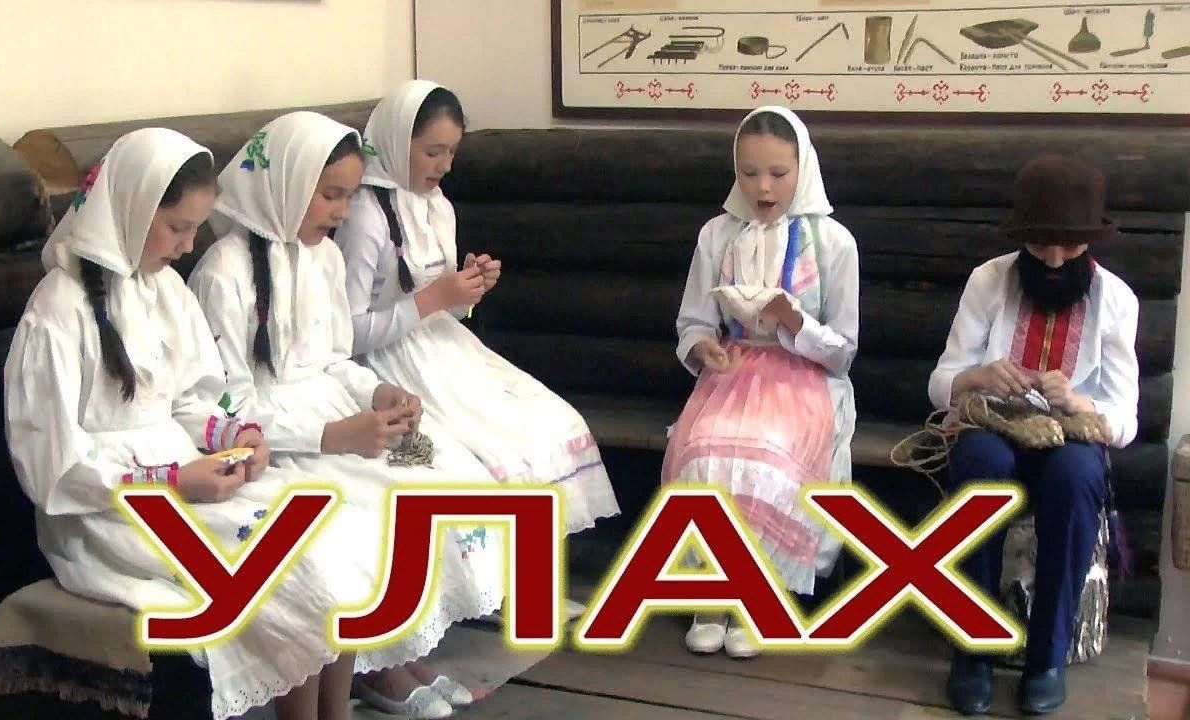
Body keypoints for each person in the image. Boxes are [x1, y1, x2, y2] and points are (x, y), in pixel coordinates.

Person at [4, 127, 457, 720]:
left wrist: (235, 436)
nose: (188, 245)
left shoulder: (162, 288)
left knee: (338, 530)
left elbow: (192, 397)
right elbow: (53, 472)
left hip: (184, 478)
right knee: (292, 565)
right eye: (178, 228)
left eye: (194, 228)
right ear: (132, 210)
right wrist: (172, 480)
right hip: (104, 512)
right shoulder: (57, 313)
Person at [189, 111, 506, 719]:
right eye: (330, 196)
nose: (341, 212)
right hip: (276, 440)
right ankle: (374, 670)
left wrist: (380, 392)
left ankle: (393, 656)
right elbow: (223, 405)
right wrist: (331, 436)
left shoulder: (323, 258)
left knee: (444, 470)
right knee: (367, 519)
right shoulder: (223, 272)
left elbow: (335, 359)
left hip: (332, 412)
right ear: (285, 185)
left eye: (348, 196)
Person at [332, 80, 619, 537]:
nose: (445, 165)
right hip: (387, 366)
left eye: (452, 152)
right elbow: (345, 335)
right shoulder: (364, 215)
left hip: (447, 349)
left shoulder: (437, 206)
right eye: (432, 152)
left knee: (554, 422)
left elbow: (442, 307)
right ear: (396, 141)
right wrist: (435, 298)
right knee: (488, 449)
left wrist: (467, 290)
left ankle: (544, 553)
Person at [930, 153, 1138, 716]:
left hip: (1069, 438)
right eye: (1041, 243)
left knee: (1076, 476)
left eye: (1069, 246)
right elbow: (942, 384)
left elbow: (1124, 420)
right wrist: (978, 377)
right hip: (994, 424)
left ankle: (1047, 657)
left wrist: (1078, 401)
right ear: (1021, 236)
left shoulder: (1116, 300)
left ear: (1090, 241)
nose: (1053, 259)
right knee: (982, 463)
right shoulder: (988, 280)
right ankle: (971, 650)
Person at [662, 106, 859, 659]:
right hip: (733, 371)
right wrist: (703, 346)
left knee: (768, 456)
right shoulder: (717, 235)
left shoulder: (833, 242)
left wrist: (795, 321)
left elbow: (844, 351)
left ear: (803, 169)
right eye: (749, 173)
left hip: (803, 378)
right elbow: (693, 321)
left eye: (778, 172)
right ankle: (711, 592)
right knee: (705, 449)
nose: (763, 187)